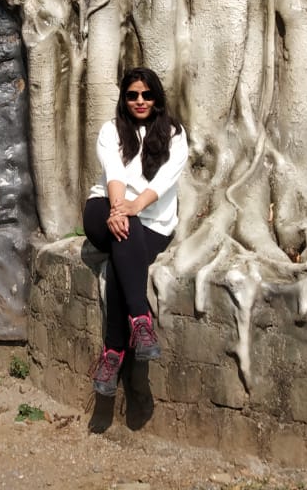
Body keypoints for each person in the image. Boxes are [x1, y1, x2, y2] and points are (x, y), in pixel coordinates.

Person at [82, 67, 187, 397]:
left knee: (122, 255)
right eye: (132, 95)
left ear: (157, 98)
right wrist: (118, 209)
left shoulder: (175, 134)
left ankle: (113, 352)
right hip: (105, 209)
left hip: (153, 221)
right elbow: (113, 172)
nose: (140, 101)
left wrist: (134, 207)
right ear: (124, 99)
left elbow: (165, 180)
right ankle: (140, 319)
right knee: (125, 234)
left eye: (146, 94)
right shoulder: (111, 130)